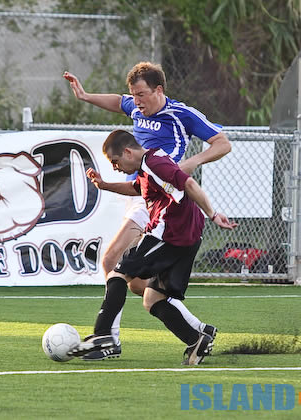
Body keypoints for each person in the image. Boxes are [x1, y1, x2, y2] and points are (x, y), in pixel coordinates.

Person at [63, 62, 231, 359]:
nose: (136, 101)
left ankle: (107, 338)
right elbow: (118, 102)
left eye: (141, 95)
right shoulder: (137, 113)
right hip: (149, 195)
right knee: (146, 290)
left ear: (159, 90)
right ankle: (197, 332)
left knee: (114, 264)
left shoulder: (179, 117)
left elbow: (222, 144)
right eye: (133, 95)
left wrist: (191, 164)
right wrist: (85, 96)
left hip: (165, 205)